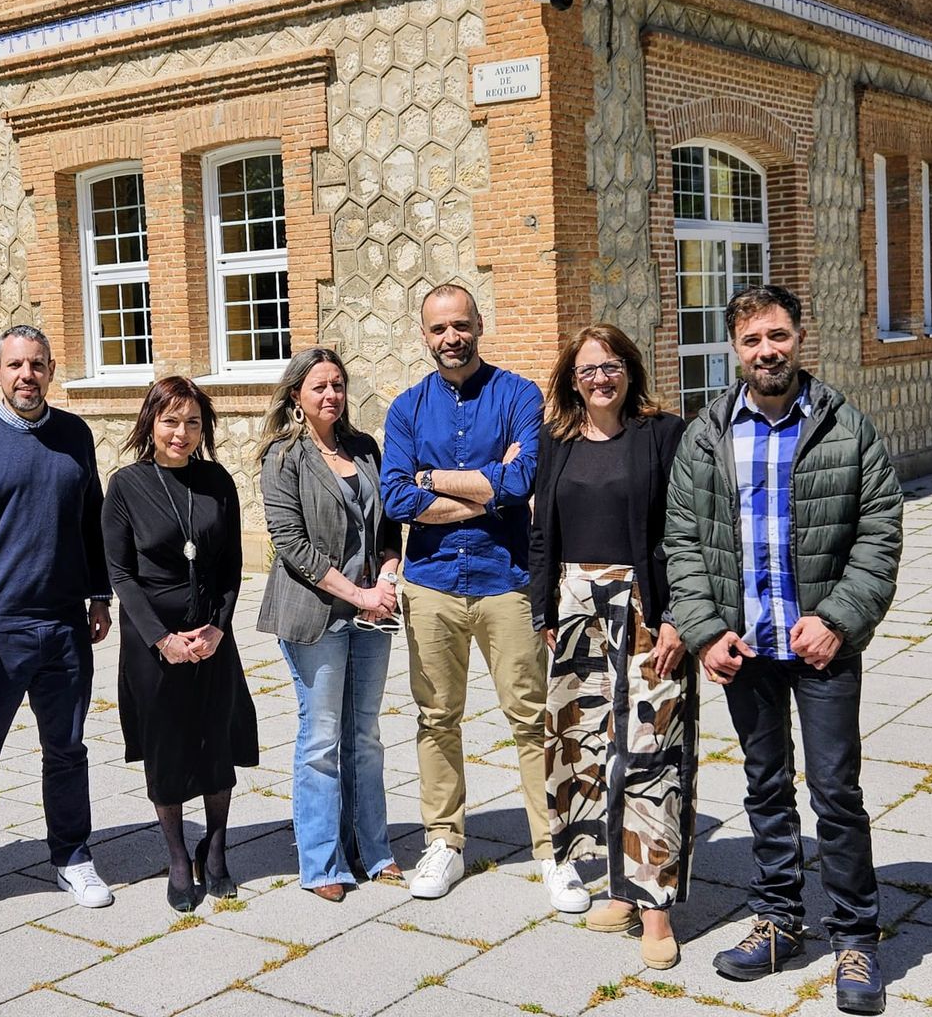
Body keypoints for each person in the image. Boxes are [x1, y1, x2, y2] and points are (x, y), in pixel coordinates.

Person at [666, 284, 901, 1017]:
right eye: (750, 341)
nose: (766, 351)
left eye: (777, 336)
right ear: (733, 350)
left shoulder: (846, 428)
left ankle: (857, 936)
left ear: (800, 337)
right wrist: (705, 629)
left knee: (835, 793)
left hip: (823, 648)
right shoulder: (706, 435)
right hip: (747, 650)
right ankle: (778, 921)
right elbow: (682, 543)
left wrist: (837, 617)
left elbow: (880, 532)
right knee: (765, 789)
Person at [0, 324, 115, 926]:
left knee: (66, 750)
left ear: (51, 369)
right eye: (15, 366)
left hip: (64, 626)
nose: (26, 376)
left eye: (36, 365)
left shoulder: (74, 436)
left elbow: (91, 522)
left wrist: (98, 594)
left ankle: (71, 856)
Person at [528, 323, 694, 970]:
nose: (600, 378)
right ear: (573, 380)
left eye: (611, 366)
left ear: (630, 370)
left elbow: (685, 531)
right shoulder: (556, 439)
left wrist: (680, 613)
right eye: (588, 369)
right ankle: (621, 890)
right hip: (573, 607)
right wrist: (543, 605)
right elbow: (542, 531)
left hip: (645, 607)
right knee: (589, 747)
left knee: (651, 751)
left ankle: (655, 910)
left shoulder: (662, 435)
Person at [380, 283, 549, 900]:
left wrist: (433, 481)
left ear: (481, 324)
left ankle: (551, 848)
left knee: (532, 719)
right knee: (435, 718)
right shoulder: (406, 409)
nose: (451, 338)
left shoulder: (518, 395)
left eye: (460, 325)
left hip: (507, 582)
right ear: (423, 335)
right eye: (438, 329)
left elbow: (526, 476)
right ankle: (443, 842)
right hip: (431, 586)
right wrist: (487, 489)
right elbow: (396, 497)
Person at [102, 376, 259, 911]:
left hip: (213, 636)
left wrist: (218, 627)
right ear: (150, 422)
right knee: (167, 749)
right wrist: (163, 640)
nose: (181, 433)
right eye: (170, 421)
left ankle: (215, 847)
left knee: (217, 743)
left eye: (192, 422)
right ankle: (174, 856)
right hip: (155, 643)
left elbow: (232, 565)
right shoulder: (126, 485)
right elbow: (121, 575)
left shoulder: (218, 481)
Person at [257, 347, 403, 903]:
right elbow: (292, 546)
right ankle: (321, 863)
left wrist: (386, 580)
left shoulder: (365, 448)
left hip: (371, 614)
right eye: (319, 386)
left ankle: (374, 850)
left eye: (338, 385)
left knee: (364, 736)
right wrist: (358, 592)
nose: (331, 396)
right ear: (297, 395)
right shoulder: (283, 456)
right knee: (320, 738)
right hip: (315, 615)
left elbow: (389, 523)